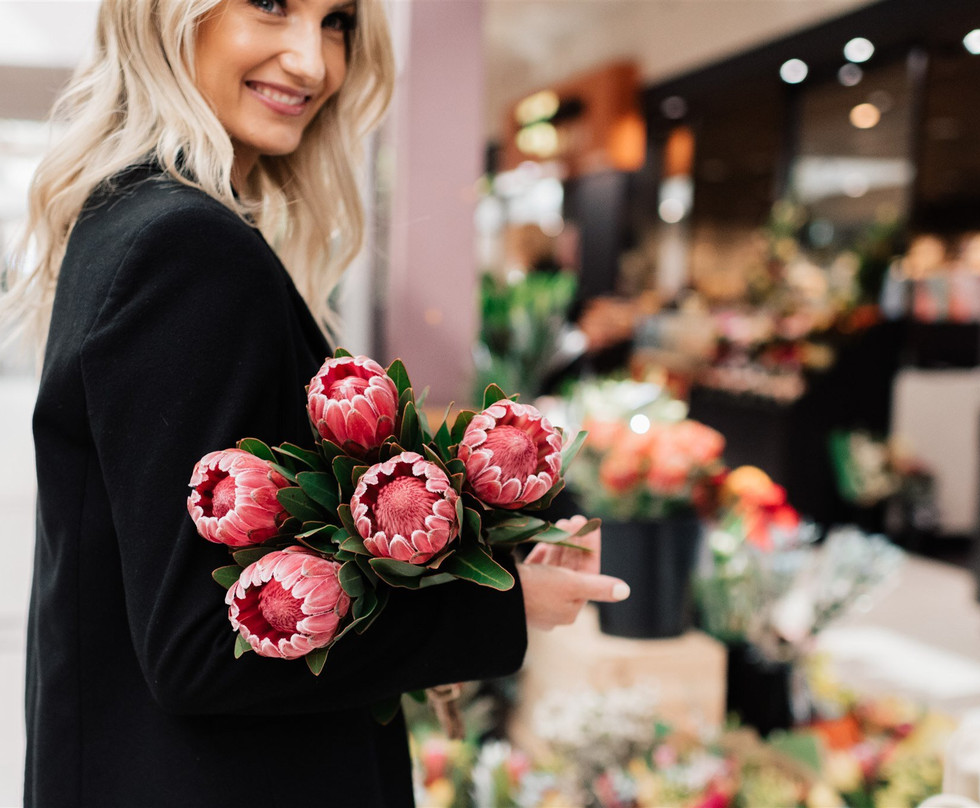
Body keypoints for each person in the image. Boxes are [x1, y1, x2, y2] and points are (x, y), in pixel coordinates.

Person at [1, 1, 629, 805]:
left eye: (336, 21)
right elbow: (203, 641)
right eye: (270, 4)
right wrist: (500, 597)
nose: (312, 61)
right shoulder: (188, 248)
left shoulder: (127, 217)